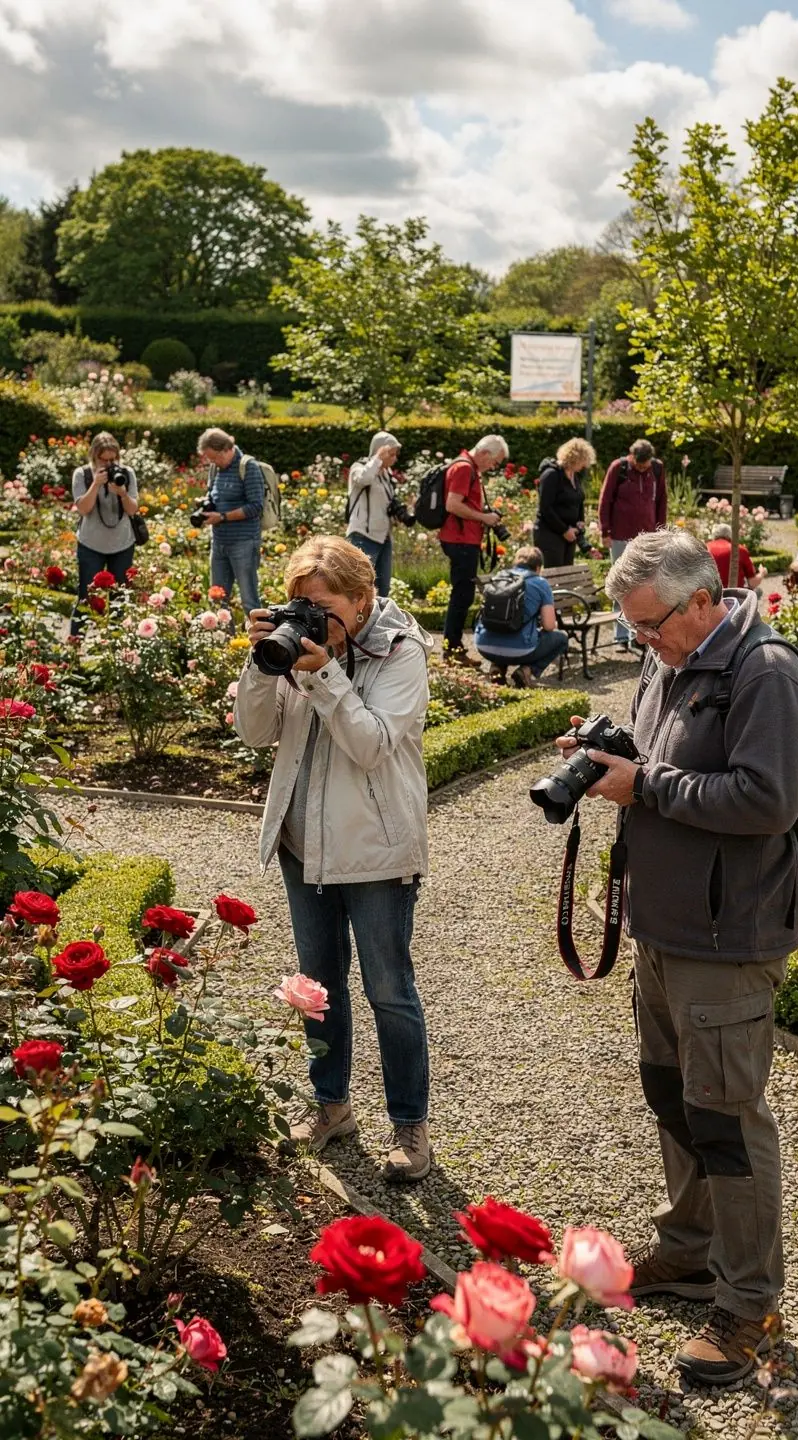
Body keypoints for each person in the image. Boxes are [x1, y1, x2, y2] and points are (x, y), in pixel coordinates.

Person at [555, 529, 798, 1386]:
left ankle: (749, 1309)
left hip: (727, 937)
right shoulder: (672, 656)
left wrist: (647, 786)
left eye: (649, 625)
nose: (641, 642)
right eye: (630, 628)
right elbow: (662, 762)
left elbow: (769, 799)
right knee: (674, 1096)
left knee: (729, 1122)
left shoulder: (766, 671)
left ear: (703, 599)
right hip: (666, 930)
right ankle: (691, 1251)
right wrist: (609, 760)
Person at [234, 536, 434, 1182]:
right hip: (303, 849)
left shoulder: (400, 652)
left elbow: (371, 745)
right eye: (298, 605)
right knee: (317, 991)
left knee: (389, 992)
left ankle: (410, 1128)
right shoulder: (295, 643)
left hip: (374, 853)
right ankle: (331, 1106)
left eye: (321, 607)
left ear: (362, 599)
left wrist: (322, 674)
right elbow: (254, 734)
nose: (308, 618)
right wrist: (263, 668)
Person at [439, 434, 508, 666]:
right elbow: (452, 504)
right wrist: (484, 517)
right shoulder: (463, 468)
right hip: (460, 540)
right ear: (485, 453)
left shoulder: (467, 467)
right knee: (461, 596)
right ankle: (452, 651)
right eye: (495, 462)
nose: (493, 467)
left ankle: (454, 648)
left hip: (464, 539)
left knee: (463, 595)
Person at [598, 439, 667, 650]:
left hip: (646, 536)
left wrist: (661, 531)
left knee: (646, 584)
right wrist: (605, 531)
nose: (641, 468)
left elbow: (662, 499)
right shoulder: (618, 468)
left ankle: (639, 637)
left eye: (644, 466)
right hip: (620, 535)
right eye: (638, 465)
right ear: (631, 457)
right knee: (621, 584)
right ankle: (620, 636)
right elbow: (605, 500)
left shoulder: (657, 468)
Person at [71, 432, 140, 635]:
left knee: (119, 599)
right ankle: (74, 648)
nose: (110, 464)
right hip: (91, 544)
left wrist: (123, 493)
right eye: (105, 460)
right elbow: (83, 509)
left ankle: (115, 648)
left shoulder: (126, 473)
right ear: (94, 457)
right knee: (85, 597)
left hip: (122, 544)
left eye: (113, 459)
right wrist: (96, 484)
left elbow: (133, 510)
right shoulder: (82, 474)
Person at [474, 546, 568, 688]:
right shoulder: (540, 583)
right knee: (561, 638)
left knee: (503, 626)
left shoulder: (500, 577)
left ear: (515, 563)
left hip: (483, 645)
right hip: (519, 650)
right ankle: (526, 671)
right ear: (538, 567)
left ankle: (497, 668)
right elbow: (549, 625)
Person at [196, 427, 264, 615]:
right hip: (219, 542)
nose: (213, 462)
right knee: (217, 598)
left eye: (215, 457)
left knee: (249, 600)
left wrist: (223, 517)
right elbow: (213, 495)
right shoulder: (215, 469)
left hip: (243, 543)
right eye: (210, 459)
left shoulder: (248, 467)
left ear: (227, 449)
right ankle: (222, 641)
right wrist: (205, 504)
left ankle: (258, 641)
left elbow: (256, 507)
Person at [346, 431, 406, 597]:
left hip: (383, 538)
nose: (395, 459)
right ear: (380, 451)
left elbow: (386, 502)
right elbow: (363, 479)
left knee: (382, 590)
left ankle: (378, 623)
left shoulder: (387, 474)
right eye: (391, 454)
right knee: (361, 589)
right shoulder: (358, 468)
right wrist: (377, 459)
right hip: (363, 536)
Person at [533, 438, 596, 568]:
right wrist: (564, 530)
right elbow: (546, 508)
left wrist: (580, 522)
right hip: (550, 534)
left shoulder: (575, 476)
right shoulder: (551, 475)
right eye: (582, 461)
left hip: (570, 534)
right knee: (555, 574)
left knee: (567, 573)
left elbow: (578, 501)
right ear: (574, 459)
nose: (584, 466)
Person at [706, 524, 766, 590]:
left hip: (709, 596)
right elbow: (752, 583)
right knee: (758, 591)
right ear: (731, 535)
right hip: (734, 595)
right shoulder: (740, 550)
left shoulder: (704, 548)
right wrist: (762, 573)